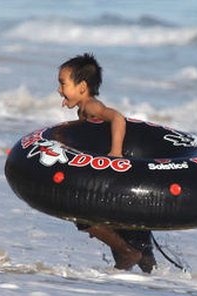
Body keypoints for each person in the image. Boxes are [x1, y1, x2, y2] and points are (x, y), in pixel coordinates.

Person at [57, 53, 156, 273]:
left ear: (82, 87)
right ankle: (154, 281)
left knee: (83, 217)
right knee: (138, 243)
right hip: (119, 180)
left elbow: (117, 117)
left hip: (115, 177)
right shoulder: (83, 112)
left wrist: (116, 152)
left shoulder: (92, 106)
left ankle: (129, 254)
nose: (59, 90)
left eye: (63, 84)